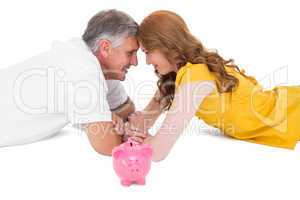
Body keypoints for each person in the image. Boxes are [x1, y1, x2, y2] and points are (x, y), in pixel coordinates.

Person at [124, 10, 300, 162]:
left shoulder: (195, 77)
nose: (146, 61)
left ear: (166, 45)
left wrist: (139, 139)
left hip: (291, 113)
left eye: (147, 52)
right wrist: (125, 127)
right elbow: (144, 120)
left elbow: (157, 151)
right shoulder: (177, 76)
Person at [0, 9, 139, 156]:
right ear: (105, 48)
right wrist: (109, 118)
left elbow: (128, 110)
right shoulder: (83, 70)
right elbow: (108, 145)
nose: (135, 62)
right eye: (130, 53)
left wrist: (108, 116)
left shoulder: (101, 68)